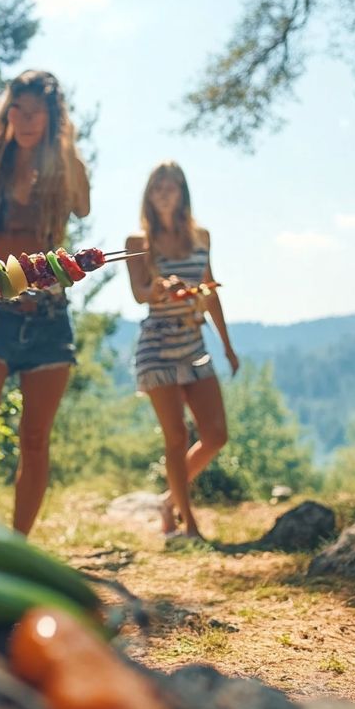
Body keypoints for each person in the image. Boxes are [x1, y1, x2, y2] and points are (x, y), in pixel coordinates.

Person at [0, 71, 91, 535]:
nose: (25, 120)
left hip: (48, 317)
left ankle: (19, 544)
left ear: (52, 117)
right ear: (6, 113)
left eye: (35, 111)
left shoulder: (64, 164)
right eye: (17, 109)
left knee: (35, 440)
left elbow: (83, 207)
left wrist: (63, 153)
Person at [125, 161, 239, 541]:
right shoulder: (137, 243)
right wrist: (156, 289)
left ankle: (167, 499)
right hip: (157, 345)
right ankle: (187, 524)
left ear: (182, 192)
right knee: (175, 437)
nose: (164, 193)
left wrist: (227, 344)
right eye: (157, 186)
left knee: (216, 434)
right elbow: (139, 292)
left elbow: (209, 290)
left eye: (171, 186)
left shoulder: (201, 237)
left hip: (194, 341)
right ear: (148, 194)